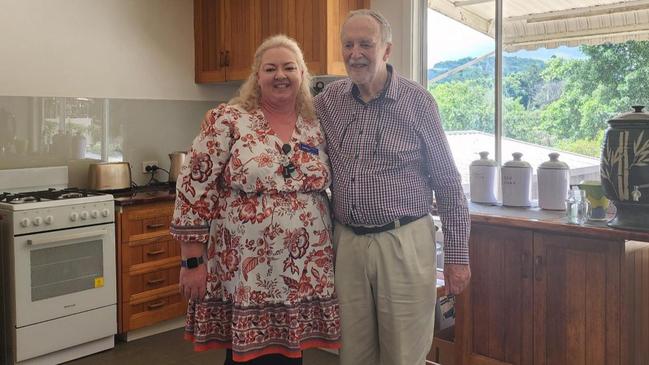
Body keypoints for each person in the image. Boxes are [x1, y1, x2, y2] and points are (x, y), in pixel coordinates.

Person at [170, 34, 341, 365]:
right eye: (270, 68)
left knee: (291, 353)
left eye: (289, 67)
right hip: (247, 270)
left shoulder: (315, 125)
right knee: (248, 357)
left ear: (302, 75)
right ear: (257, 76)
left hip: (305, 268)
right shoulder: (230, 120)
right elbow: (195, 186)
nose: (280, 75)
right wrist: (192, 260)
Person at [313, 9, 471, 365]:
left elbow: (448, 184)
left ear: (387, 50)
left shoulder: (418, 103)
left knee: (402, 355)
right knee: (353, 354)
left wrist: (458, 257)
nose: (355, 53)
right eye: (348, 45)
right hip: (348, 243)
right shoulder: (328, 102)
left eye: (365, 44)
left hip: (404, 242)